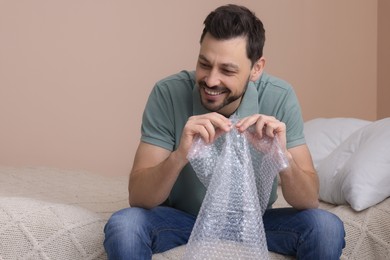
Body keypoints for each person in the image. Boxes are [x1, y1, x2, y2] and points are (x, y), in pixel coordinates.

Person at [104, 4, 345, 259]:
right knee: (125, 225)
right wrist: (180, 156)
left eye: (227, 70)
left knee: (326, 227)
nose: (210, 80)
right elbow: (139, 197)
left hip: (256, 223)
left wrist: (280, 156)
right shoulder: (168, 93)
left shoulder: (279, 98)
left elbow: (308, 200)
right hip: (185, 220)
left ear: (256, 68)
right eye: (204, 64)